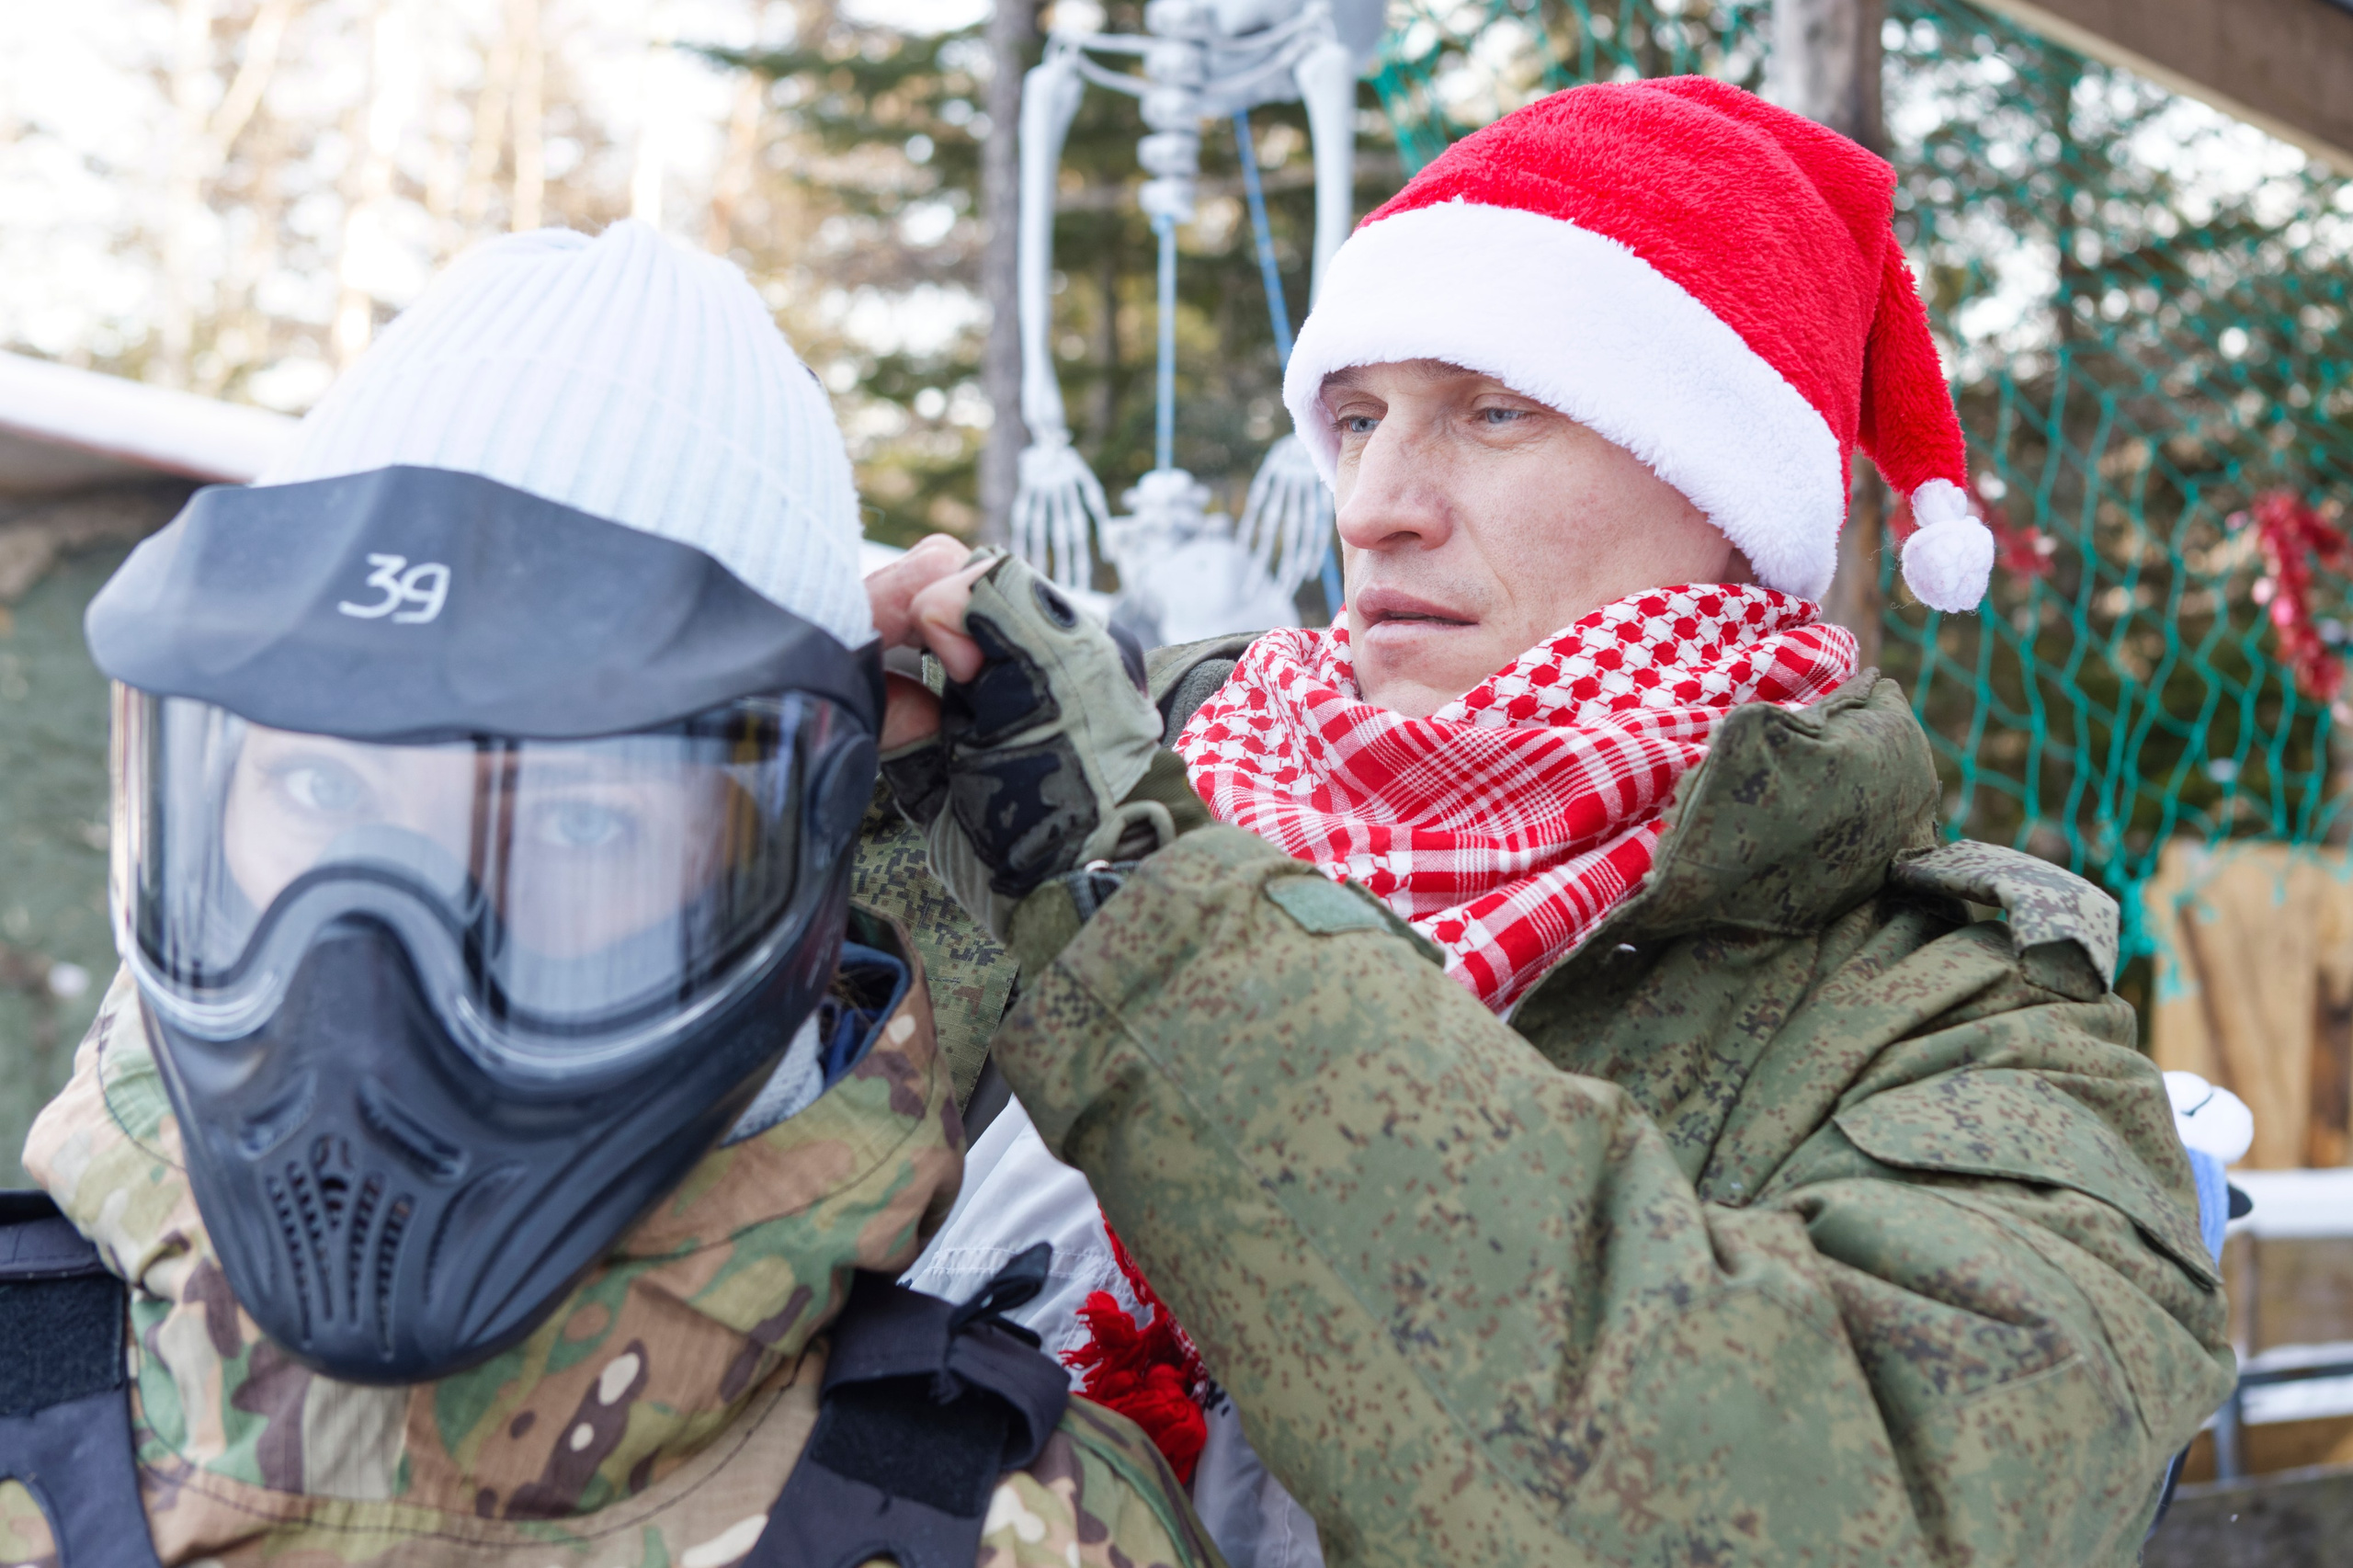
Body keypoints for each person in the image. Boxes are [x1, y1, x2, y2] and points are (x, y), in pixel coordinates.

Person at [864, 78, 2236, 1564]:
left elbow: (1841, 1518)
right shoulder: (1088, 769)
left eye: (1496, 410)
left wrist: (1136, 910)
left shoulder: (1962, 1036)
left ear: (1721, 494)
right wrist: (827, 805)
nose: (1376, 502)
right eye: (1359, 416)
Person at [2, 222, 1221, 1568]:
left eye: (578, 823)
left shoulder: (1021, 1532)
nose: (384, 970)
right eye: (324, 798)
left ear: (784, 876)